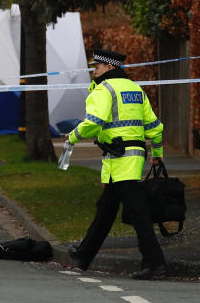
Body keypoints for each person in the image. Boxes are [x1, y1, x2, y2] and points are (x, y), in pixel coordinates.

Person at [65, 49, 167, 280]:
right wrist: (157, 153)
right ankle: (83, 255)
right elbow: (156, 128)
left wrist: (72, 136)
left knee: (138, 212)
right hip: (130, 157)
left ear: (109, 68)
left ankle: (155, 262)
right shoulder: (136, 89)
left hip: (120, 159)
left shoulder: (104, 90)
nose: (94, 71)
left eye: (97, 67)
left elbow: (93, 122)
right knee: (106, 210)